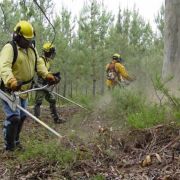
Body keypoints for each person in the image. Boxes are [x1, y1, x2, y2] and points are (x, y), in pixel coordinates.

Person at [0, 20, 59, 151]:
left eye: (30, 39)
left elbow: (39, 64)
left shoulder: (31, 49)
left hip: (24, 90)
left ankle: (16, 140)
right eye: (26, 40)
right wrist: (11, 81)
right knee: (14, 117)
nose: (28, 42)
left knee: (22, 116)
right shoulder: (10, 48)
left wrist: (47, 75)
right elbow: (4, 67)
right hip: (9, 90)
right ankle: (9, 147)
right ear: (17, 36)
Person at [34, 42, 65, 124]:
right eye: (52, 52)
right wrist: (52, 77)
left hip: (46, 84)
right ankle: (37, 120)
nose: (53, 54)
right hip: (40, 85)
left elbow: (48, 72)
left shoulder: (47, 61)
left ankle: (56, 119)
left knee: (52, 100)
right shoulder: (41, 60)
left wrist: (54, 75)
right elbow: (44, 72)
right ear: (47, 52)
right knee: (38, 102)